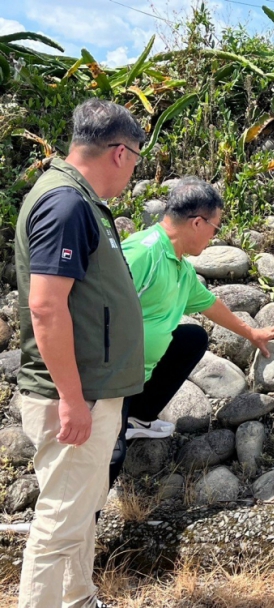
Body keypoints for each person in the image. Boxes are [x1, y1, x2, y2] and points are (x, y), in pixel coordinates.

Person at [15, 99, 146, 608]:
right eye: (136, 158)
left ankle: (79, 598)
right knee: (60, 523)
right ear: (119, 153)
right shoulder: (66, 203)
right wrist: (71, 398)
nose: (135, 170)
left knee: (79, 510)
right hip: (78, 395)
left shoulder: (78, 200)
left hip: (91, 392)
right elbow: (46, 308)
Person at [107, 177, 274, 488]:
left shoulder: (179, 266)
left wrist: (251, 334)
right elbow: (94, 308)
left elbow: (210, 305)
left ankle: (137, 416)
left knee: (192, 339)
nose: (214, 237)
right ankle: (81, 531)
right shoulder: (142, 254)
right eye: (215, 228)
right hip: (109, 379)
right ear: (197, 223)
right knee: (110, 457)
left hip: (135, 376)